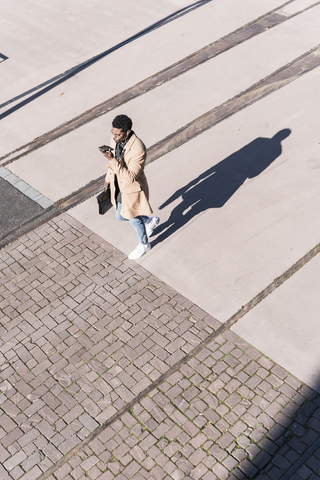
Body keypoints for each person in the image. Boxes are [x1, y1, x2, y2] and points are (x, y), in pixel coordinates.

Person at [101, 114, 159, 260]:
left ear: (127, 132)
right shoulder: (116, 139)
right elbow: (113, 162)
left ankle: (144, 244)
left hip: (131, 190)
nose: (114, 137)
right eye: (112, 133)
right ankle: (148, 220)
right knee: (120, 217)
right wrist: (108, 178)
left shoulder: (138, 149)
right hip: (118, 186)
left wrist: (112, 160)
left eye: (117, 134)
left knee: (133, 218)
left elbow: (130, 177)